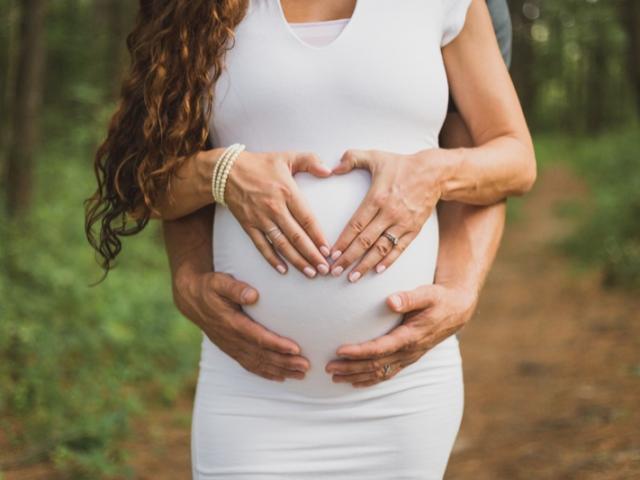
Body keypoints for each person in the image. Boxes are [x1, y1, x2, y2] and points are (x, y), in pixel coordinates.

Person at [85, 0, 534, 478]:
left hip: (402, 393)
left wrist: (434, 174)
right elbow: (139, 185)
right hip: (249, 393)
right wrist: (222, 173)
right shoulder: (194, 9)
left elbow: (513, 159)